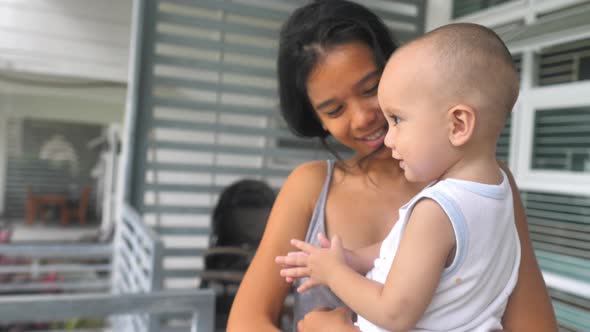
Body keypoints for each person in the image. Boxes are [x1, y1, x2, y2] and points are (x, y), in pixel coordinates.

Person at [226, 1, 557, 331]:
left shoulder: (486, 188)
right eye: (334, 110)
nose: (363, 117)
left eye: (370, 89)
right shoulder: (310, 187)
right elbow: (245, 322)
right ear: (318, 120)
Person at [276, 23, 522, 331]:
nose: (388, 138)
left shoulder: (437, 210)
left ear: (458, 125)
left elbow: (394, 314)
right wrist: (356, 259)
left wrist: (335, 273)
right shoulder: (495, 194)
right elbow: (412, 250)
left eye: (397, 119)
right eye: (335, 109)